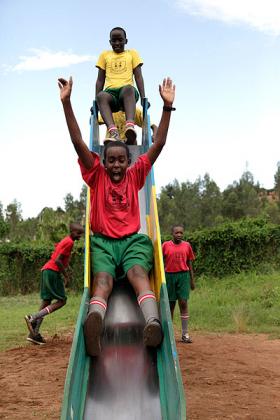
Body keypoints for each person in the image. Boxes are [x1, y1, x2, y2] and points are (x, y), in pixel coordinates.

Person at [58, 75, 175, 356]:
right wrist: (67, 103)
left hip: (132, 241)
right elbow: (77, 142)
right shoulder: (96, 175)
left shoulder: (135, 176)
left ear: (129, 161)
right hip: (103, 244)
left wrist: (167, 108)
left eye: (121, 159)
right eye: (110, 160)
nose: (116, 165)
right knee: (103, 282)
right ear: (103, 161)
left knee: (138, 274)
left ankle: (152, 323)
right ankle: (94, 322)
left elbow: (156, 146)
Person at [24, 223, 84, 345]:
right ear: (71, 231)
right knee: (62, 301)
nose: (80, 236)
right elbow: (57, 260)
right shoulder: (69, 242)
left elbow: (59, 257)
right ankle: (33, 317)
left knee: (46, 301)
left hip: (46, 270)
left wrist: (67, 269)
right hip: (52, 271)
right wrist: (66, 276)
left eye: (81, 234)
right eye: (78, 233)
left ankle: (33, 334)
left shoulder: (65, 240)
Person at [95, 27, 146, 145]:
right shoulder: (104, 55)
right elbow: (99, 80)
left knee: (128, 88)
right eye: (114, 40)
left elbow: (138, 76)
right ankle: (114, 132)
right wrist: (96, 101)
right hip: (111, 95)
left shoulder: (132, 53)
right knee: (101, 95)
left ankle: (130, 127)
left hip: (127, 95)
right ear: (110, 42)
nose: (117, 43)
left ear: (126, 41)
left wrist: (143, 97)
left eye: (120, 40)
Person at [162, 225, 195, 343]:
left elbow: (190, 263)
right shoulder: (165, 245)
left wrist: (192, 280)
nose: (179, 235)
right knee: (171, 305)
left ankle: (185, 334)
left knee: (183, 302)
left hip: (183, 276)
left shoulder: (187, 245)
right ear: (172, 233)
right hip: (169, 276)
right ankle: (170, 334)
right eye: (177, 233)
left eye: (181, 233)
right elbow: (160, 262)